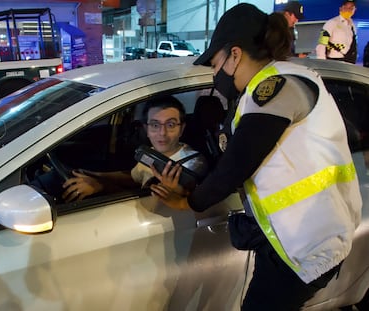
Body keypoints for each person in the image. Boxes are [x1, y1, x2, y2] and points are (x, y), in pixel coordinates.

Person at [149, 3, 362, 311]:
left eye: (215, 62)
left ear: (235, 55)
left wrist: (188, 202)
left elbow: (237, 164)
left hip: (306, 244)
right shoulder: (272, 84)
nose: (214, 73)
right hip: (295, 238)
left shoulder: (276, 87)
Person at [61, 95, 208, 202]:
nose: (162, 133)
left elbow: (150, 200)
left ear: (181, 129)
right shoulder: (152, 153)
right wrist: (96, 175)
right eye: (155, 125)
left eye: (170, 125)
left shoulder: (192, 164)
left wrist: (100, 186)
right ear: (147, 129)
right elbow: (134, 178)